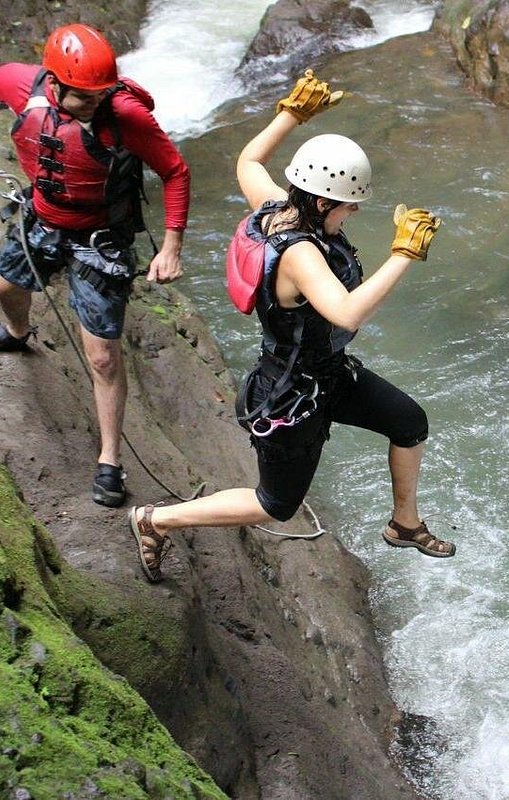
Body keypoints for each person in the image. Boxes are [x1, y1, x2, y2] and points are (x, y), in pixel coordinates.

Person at [127, 70, 454, 583]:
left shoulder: (279, 207)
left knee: (409, 423)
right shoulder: (300, 253)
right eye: (350, 205)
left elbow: (249, 161)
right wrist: (404, 253)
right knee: (275, 504)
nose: (354, 213)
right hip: (290, 396)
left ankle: (404, 524)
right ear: (323, 202)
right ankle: (155, 520)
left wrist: (292, 115)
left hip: (328, 372)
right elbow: (345, 312)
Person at [0, 23, 190, 506]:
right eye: (84, 96)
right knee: (5, 288)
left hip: (99, 242)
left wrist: (171, 246)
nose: (94, 103)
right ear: (53, 83)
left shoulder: (125, 115)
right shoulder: (20, 84)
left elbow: (174, 170)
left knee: (102, 355)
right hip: (41, 220)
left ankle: (110, 462)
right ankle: (18, 334)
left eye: (100, 93)